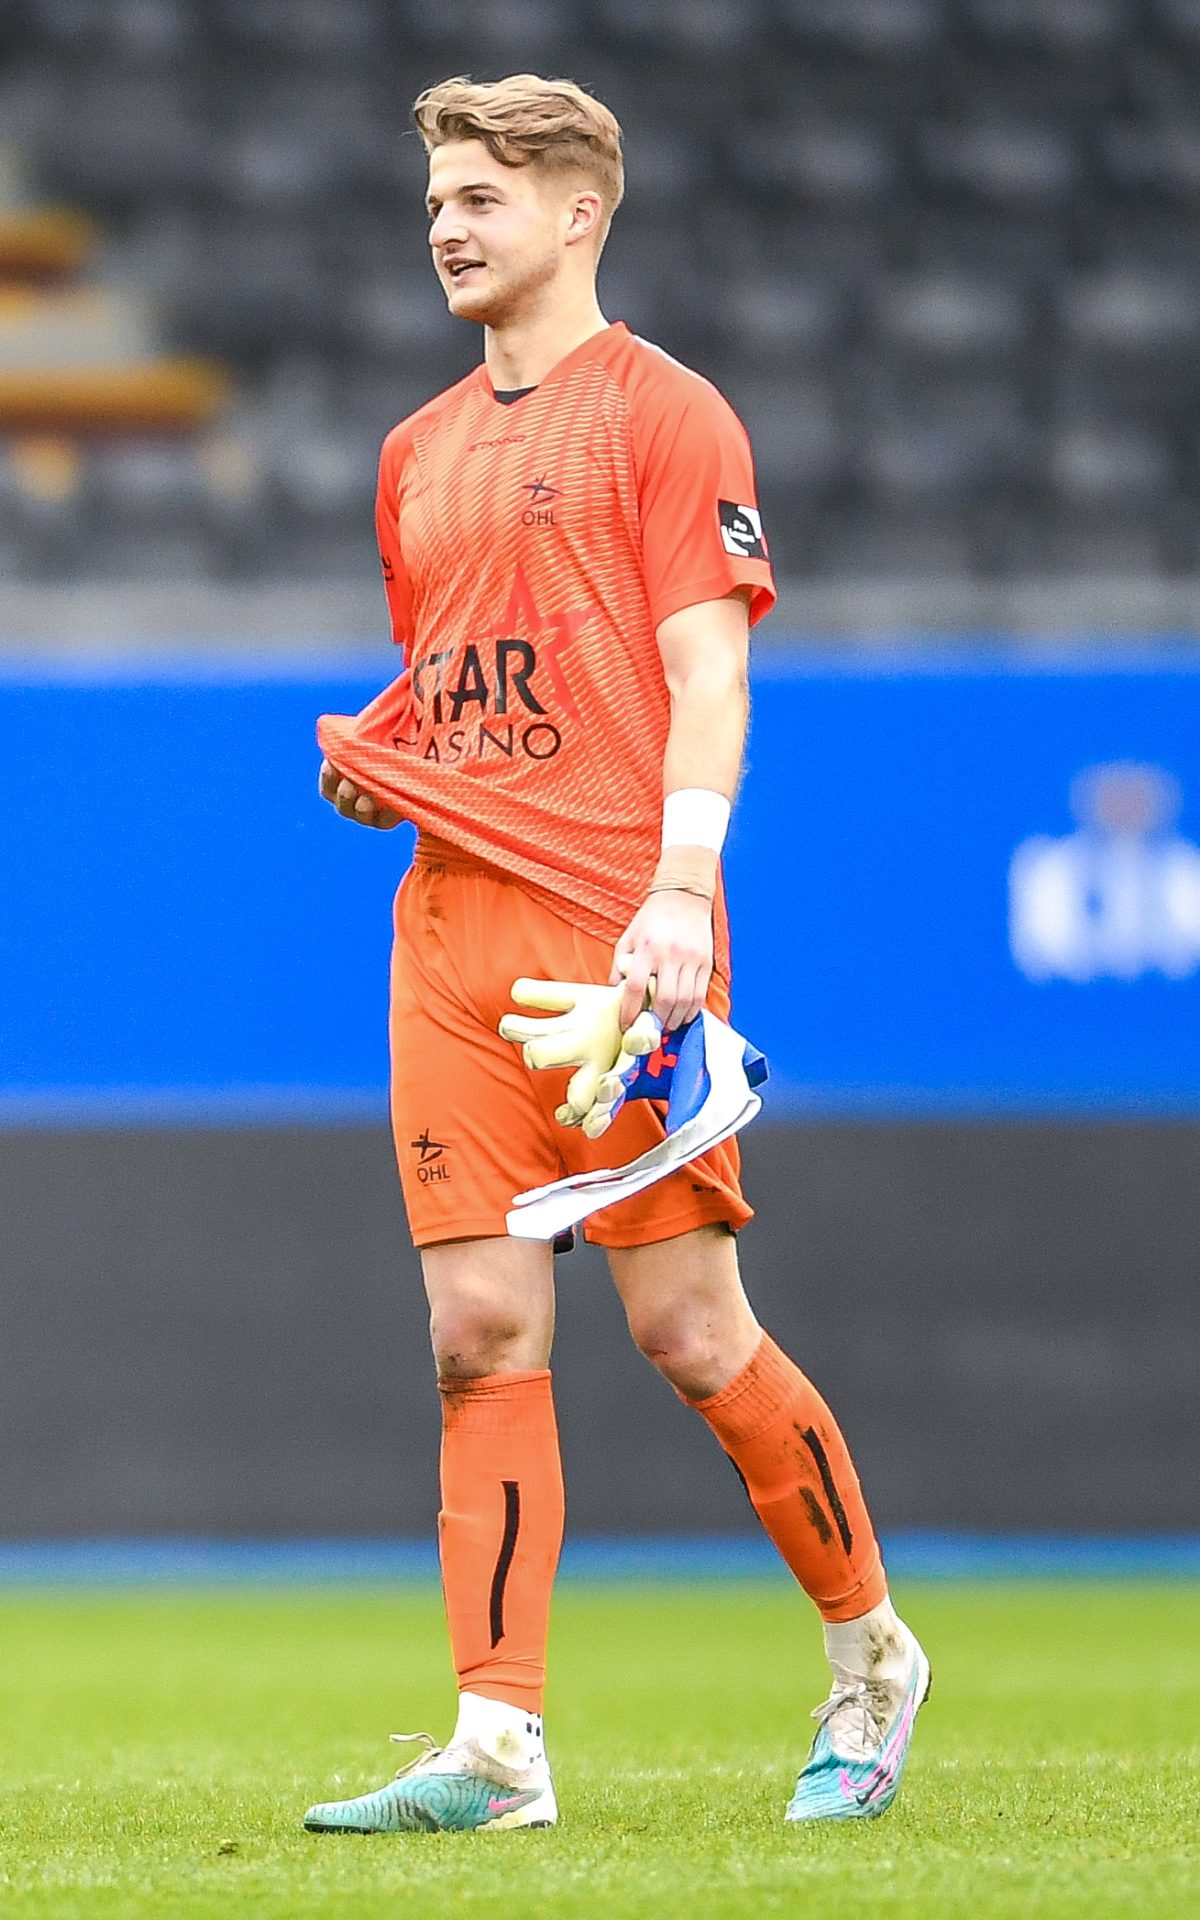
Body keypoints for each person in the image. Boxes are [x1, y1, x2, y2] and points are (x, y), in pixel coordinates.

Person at [301, 75, 926, 1833]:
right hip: (450, 928)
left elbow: (708, 670)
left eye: (481, 196)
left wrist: (678, 890)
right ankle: (494, 1749)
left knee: (688, 1328)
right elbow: (468, 680)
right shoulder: (413, 454)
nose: (445, 224)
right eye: (435, 195)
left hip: (618, 935)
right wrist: (389, 759)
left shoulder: (670, 415)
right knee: (477, 1331)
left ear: (579, 213)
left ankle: (872, 1660)